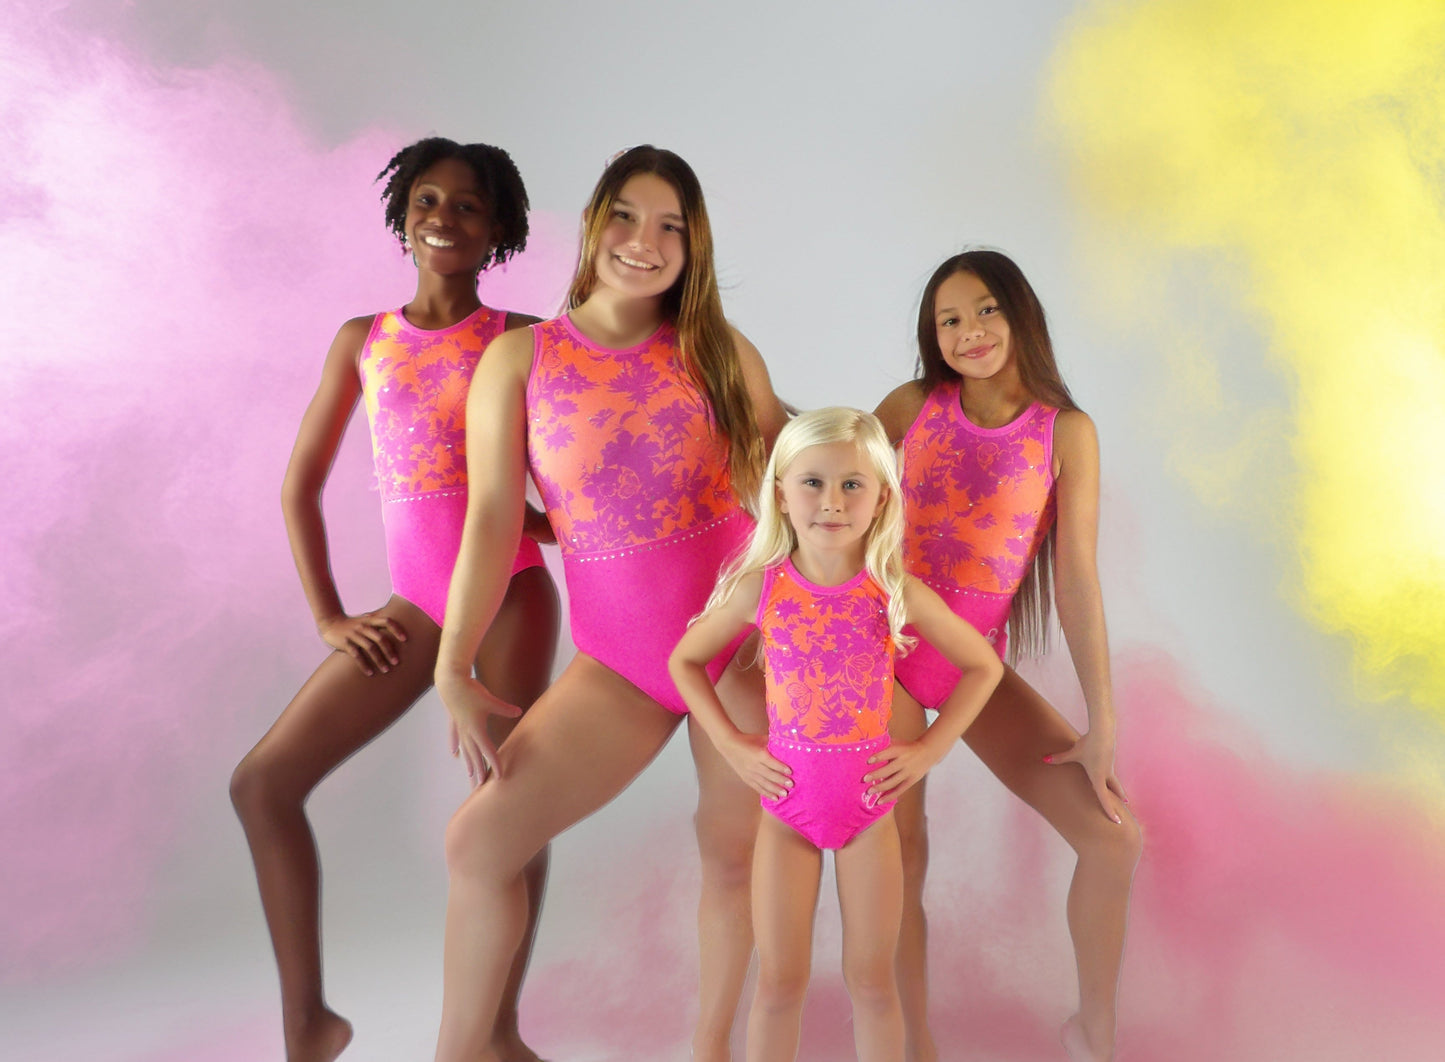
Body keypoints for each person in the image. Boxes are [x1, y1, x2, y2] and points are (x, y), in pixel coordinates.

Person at [432, 145, 789, 1062]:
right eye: (627, 215)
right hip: (622, 664)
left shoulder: (718, 351)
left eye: (671, 226)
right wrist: (452, 663)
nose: (645, 240)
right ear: (594, 223)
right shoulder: (519, 361)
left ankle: (710, 1052)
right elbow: (490, 521)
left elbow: (800, 469)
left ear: (693, 246)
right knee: (479, 845)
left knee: (731, 858)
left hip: (744, 647)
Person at [229, 137, 560, 1062]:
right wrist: (331, 617)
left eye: (467, 205)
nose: (443, 218)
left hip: (509, 600)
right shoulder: (362, 340)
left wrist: (542, 523)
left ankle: (495, 1031)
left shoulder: (523, 340)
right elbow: (299, 487)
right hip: (415, 606)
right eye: (426, 200)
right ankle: (309, 1024)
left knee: (506, 806)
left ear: (498, 231)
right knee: (262, 785)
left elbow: (560, 485)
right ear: (403, 216)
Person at [872, 250, 1143, 1062]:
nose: (969, 332)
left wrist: (1100, 723)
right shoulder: (913, 406)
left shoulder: (1065, 432)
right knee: (902, 853)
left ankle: (1093, 1032)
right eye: (948, 320)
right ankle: (911, 1044)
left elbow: (1076, 579)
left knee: (1112, 838)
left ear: (1019, 312)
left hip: (974, 667)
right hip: (880, 654)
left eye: (985, 309)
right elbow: (824, 473)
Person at [671, 407, 1003, 1062]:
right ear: (780, 495)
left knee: (873, 984)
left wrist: (931, 748)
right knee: (778, 985)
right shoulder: (760, 588)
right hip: (785, 811)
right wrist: (733, 746)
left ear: (881, 498)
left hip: (869, 812)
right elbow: (685, 660)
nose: (832, 501)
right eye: (812, 482)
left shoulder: (894, 592)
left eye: (852, 484)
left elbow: (982, 666)